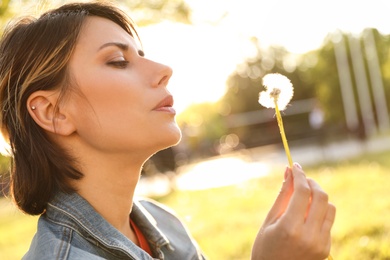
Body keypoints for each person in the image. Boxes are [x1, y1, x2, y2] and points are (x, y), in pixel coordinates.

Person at [0, 1, 336, 259]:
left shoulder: (161, 221)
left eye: (142, 54)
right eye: (118, 61)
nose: (164, 69)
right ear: (53, 112)